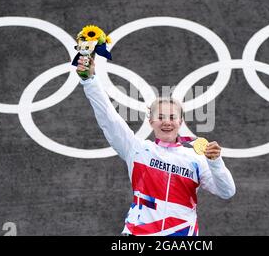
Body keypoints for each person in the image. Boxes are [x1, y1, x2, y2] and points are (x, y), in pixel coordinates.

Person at [77, 56, 236, 236]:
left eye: (172, 117)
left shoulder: (196, 159)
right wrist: (89, 80)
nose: (166, 122)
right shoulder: (137, 149)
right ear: (151, 121)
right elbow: (109, 118)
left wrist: (215, 162)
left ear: (180, 121)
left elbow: (227, 191)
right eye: (160, 117)